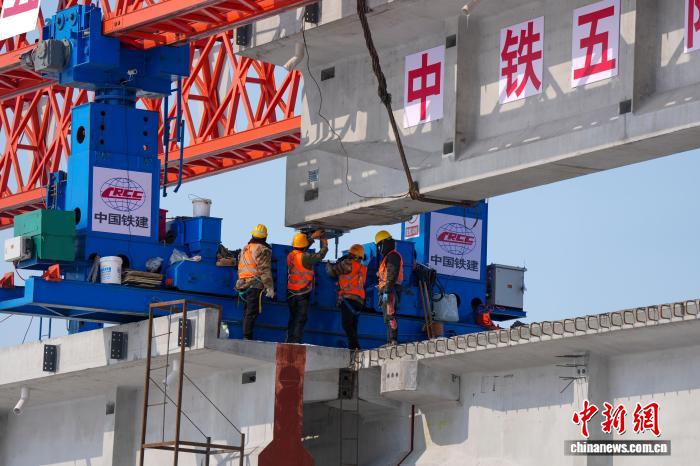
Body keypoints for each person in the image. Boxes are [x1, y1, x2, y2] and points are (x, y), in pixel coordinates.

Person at [286, 230, 328, 343]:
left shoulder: (291, 255)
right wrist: (325, 246)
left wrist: (312, 237)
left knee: (293, 317)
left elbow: (301, 248)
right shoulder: (306, 257)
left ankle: (289, 339)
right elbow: (319, 256)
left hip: (291, 293)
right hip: (302, 293)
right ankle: (295, 342)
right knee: (300, 319)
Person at [235, 224, 274, 340]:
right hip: (254, 285)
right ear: (265, 237)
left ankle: (246, 335)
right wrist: (269, 287)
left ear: (252, 235)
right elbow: (264, 269)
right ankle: (247, 337)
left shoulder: (245, 248)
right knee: (252, 312)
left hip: (242, 284)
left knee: (247, 311)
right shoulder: (263, 249)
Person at [326, 244, 367, 350]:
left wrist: (328, 264)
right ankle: (354, 348)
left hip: (348, 298)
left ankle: (354, 347)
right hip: (359, 301)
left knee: (346, 324)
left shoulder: (347, 263)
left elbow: (332, 272)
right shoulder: (363, 268)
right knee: (353, 326)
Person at [375, 230, 403, 345]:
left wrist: (387, 290)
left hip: (390, 290)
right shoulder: (388, 257)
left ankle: (393, 341)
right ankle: (390, 341)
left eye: (379, 245)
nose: (378, 248)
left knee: (390, 315)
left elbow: (392, 274)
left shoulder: (392, 256)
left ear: (383, 243)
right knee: (387, 316)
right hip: (387, 290)